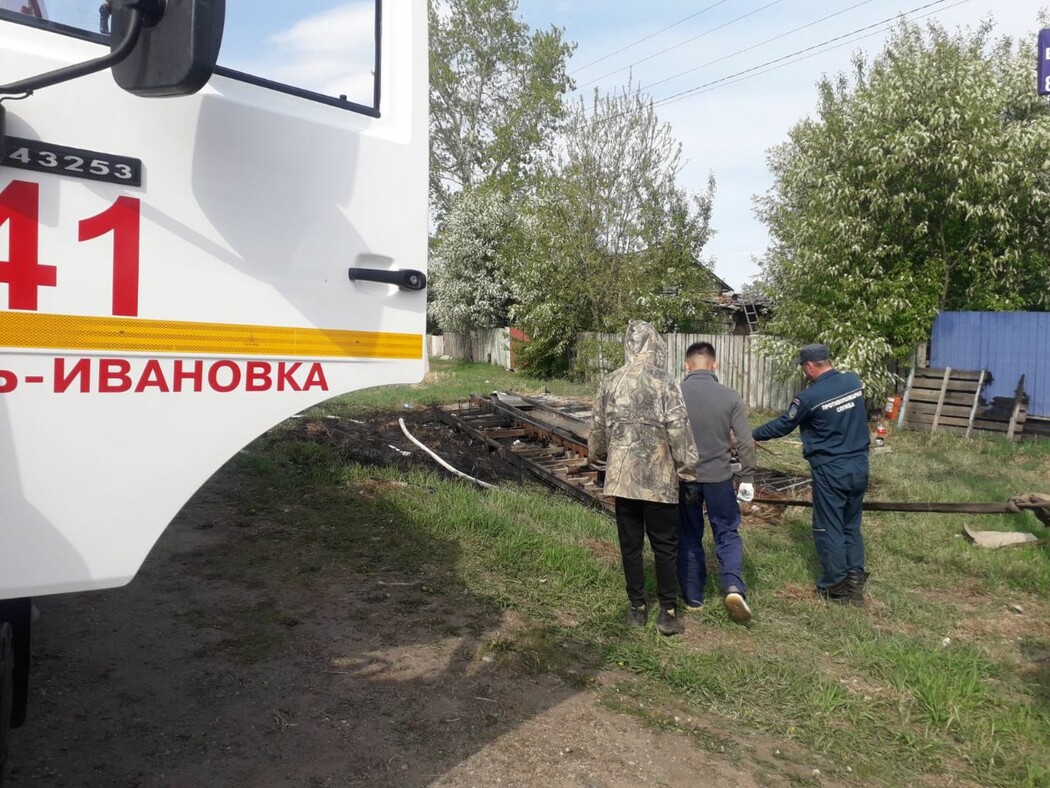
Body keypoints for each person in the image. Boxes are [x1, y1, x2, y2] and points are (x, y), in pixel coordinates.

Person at [589, 320, 699, 636]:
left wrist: (599, 463)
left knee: (630, 545)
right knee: (665, 546)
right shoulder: (666, 383)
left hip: (623, 479)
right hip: (660, 480)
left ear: (628, 344)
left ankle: (637, 608)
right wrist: (688, 473)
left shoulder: (610, 382)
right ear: (655, 345)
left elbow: (597, 430)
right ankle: (667, 611)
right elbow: (679, 430)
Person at [752, 344, 871, 605]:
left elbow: (784, 424)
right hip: (860, 465)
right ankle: (855, 579)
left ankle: (836, 587)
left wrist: (752, 434)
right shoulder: (853, 382)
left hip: (831, 468)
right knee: (851, 524)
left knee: (829, 526)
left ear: (809, 366)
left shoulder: (810, 397)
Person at [678, 342, 756, 623]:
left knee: (688, 534)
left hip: (685, 478)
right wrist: (747, 476)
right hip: (720, 479)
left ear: (686, 366)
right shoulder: (730, 396)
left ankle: (693, 596)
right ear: (715, 365)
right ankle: (733, 586)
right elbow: (746, 441)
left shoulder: (675, 394)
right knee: (727, 532)